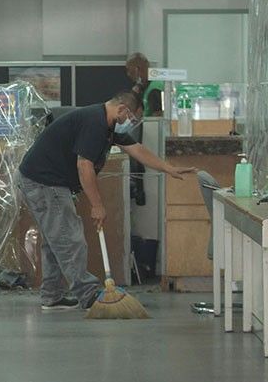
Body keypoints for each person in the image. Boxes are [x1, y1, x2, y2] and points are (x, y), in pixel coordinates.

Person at [16, 91, 195, 310]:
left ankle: (52, 295)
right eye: (132, 119)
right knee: (70, 238)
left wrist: (168, 168)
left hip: (42, 179)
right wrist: (97, 205)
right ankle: (88, 295)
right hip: (43, 181)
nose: (131, 124)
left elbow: (136, 149)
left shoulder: (108, 125)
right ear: (121, 110)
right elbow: (84, 166)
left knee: (57, 239)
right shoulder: (95, 123)